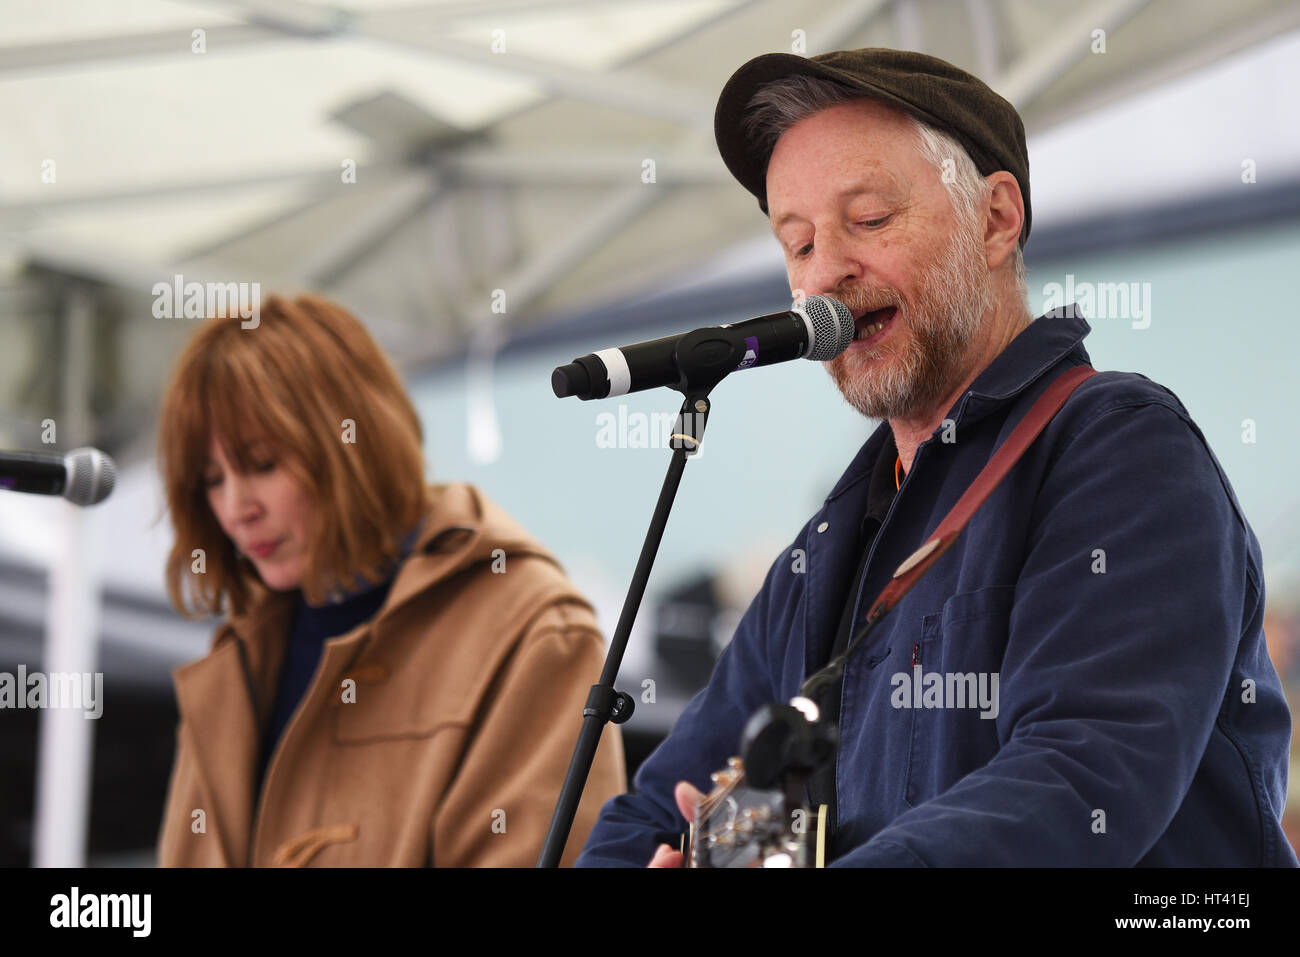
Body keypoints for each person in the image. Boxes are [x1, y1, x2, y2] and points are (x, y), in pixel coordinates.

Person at [576, 48, 1296, 867]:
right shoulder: (819, 554)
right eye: (798, 241)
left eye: (871, 219)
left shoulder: (1122, 454)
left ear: (995, 219)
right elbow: (644, 815)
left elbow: (1078, 779)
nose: (826, 272)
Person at [155, 293, 624, 866]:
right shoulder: (241, 652)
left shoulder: (535, 634)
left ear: (354, 442)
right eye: (210, 478)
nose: (235, 507)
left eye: (262, 464)